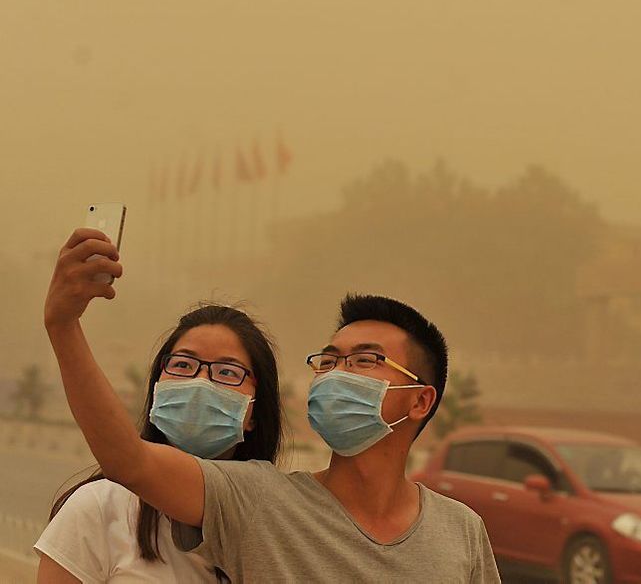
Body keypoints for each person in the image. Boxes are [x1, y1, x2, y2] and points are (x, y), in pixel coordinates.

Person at [44, 228, 500, 583]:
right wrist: (64, 325)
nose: (337, 374)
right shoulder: (260, 500)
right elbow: (129, 461)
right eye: (329, 361)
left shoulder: (460, 531)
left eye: (365, 360)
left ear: (421, 400)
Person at [35, 302, 284, 583]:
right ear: (157, 388)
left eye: (227, 372)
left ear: (254, 411)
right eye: (182, 365)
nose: (200, 382)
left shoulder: (274, 526)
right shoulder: (101, 507)